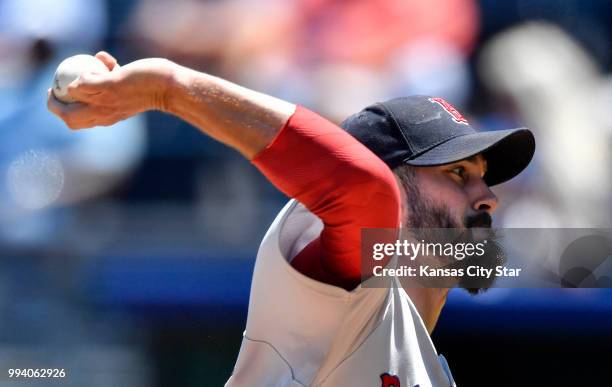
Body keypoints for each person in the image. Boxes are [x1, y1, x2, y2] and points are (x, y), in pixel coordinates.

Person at [48, 52, 535, 387]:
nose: (487, 196)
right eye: (456, 172)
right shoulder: (350, 285)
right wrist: (170, 90)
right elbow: (360, 188)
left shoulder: (422, 358)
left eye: (483, 176)